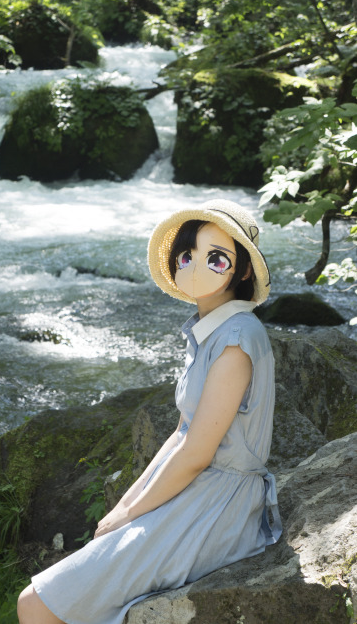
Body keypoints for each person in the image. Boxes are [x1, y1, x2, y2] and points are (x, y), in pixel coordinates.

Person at [17, 198, 282, 624]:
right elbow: (181, 433)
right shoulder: (209, 332)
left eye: (215, 258)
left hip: (220, 505)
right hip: (198, 491)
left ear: (243, 271)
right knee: (52, 593)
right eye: (186, 254)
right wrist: (124, 505)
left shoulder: (236, 339)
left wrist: (129, 514)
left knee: (34, 605)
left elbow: (196, 453)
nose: (195, 266)